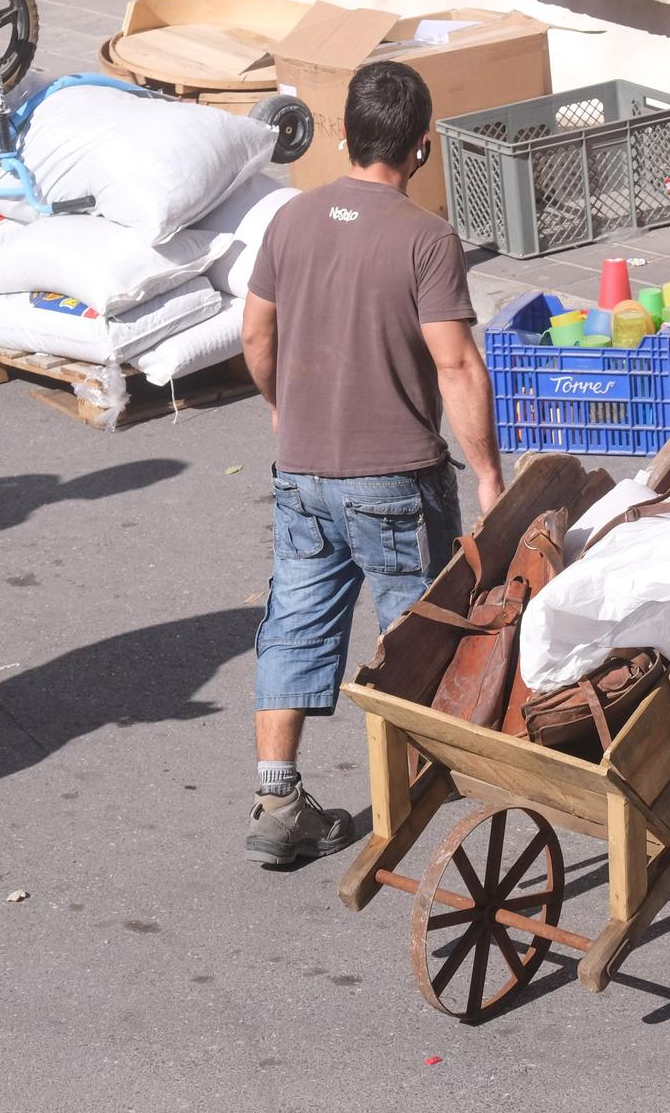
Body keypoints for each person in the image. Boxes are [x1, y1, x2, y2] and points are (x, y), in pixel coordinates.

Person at [239, 60, 505, 865]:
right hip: (394, 480)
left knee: (293, 626)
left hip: (303, 472)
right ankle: (417, 792)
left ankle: (278, 799)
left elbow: (255, 333)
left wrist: (283, 408)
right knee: (415, 636)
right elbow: (455, 365)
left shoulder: (290, 219)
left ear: (345, 134)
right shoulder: (426, 238)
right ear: (421, 147)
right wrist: (488, 472)